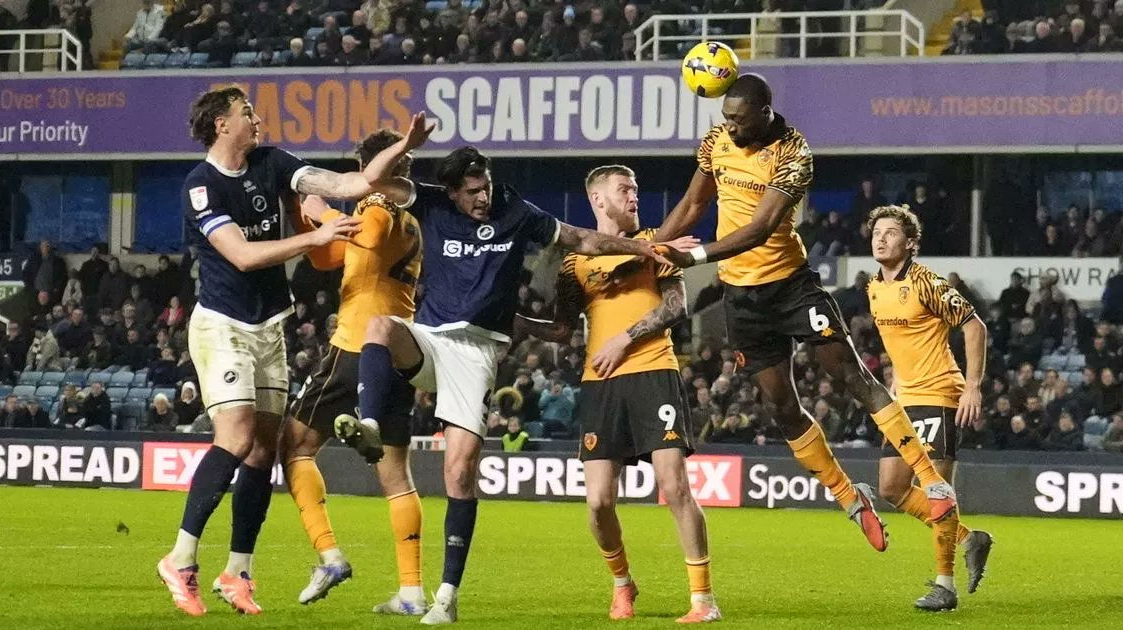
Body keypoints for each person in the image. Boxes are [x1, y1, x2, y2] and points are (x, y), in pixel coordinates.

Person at [340, 146, 691, 624]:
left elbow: (578, 240)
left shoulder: (516, 210)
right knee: (379, 327)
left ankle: (445, 597)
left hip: (479, 352)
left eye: (486, 186)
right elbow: (371, 180)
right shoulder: (430, 203)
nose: (483, 197)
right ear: (451, 192)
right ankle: (370, 426)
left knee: (459, 473)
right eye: (472, 191)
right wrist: (404, 144)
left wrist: (643, 247)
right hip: (431, 338)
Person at [156, 84, 430, 618]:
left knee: (266, 450)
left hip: (269, 326)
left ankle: (238, 571)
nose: (256, 119)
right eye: (246, 112)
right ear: (221, 124)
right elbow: (239, 255)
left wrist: (403, 147)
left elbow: (350, 181)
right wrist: (312, 236)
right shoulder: (200, 185)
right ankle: (181, 557)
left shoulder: (273, 162)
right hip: (223, 325)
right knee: (235, 437)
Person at [656, 74, 957, 559]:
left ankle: (930, 481)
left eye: (737, 118)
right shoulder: (716, 141)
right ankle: (848, 496)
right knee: (779, 405)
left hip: (791, 286)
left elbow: (759, 229)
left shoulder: (795, 153)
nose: (727, 126)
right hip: (742, 298)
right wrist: (654, 249)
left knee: (853, 377)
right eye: (725, 117)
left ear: (764, 113)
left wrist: (691, 258)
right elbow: (693, 204)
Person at [518, 165, 717, 622]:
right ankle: (623, 583)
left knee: (674, 487)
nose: (634, 196)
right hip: (600, 383)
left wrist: (625, 338)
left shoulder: (655, 242)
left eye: (636, 189)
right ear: (597, 200)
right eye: (623, 189)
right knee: (598, 501)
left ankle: (703, 600)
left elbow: (676, 306)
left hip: (653, 372)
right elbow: (563, 330)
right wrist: (513, 323)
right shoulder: (574, 261)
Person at [279, 129, 427, 614]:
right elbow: (327, 255)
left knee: (295, 446)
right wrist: (314, 222)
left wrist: (319, 205)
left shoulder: (378, 209)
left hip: (356, 345)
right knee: (395, 476)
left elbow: (351, 226)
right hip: (398, 351)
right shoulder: (411, 222)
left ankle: (329, 555)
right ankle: (410, 592)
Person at [866, 205, 995, 611]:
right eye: (876, 233)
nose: (881, 238)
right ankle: (971, 538)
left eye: (890, 233)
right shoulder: (874, 287)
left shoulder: (927, 283)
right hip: (903, 401)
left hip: (939, 394)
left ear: (911, 243)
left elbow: (975, 326)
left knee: (936, 490)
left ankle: (945, 585)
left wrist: (972, 386)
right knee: (891, 487)